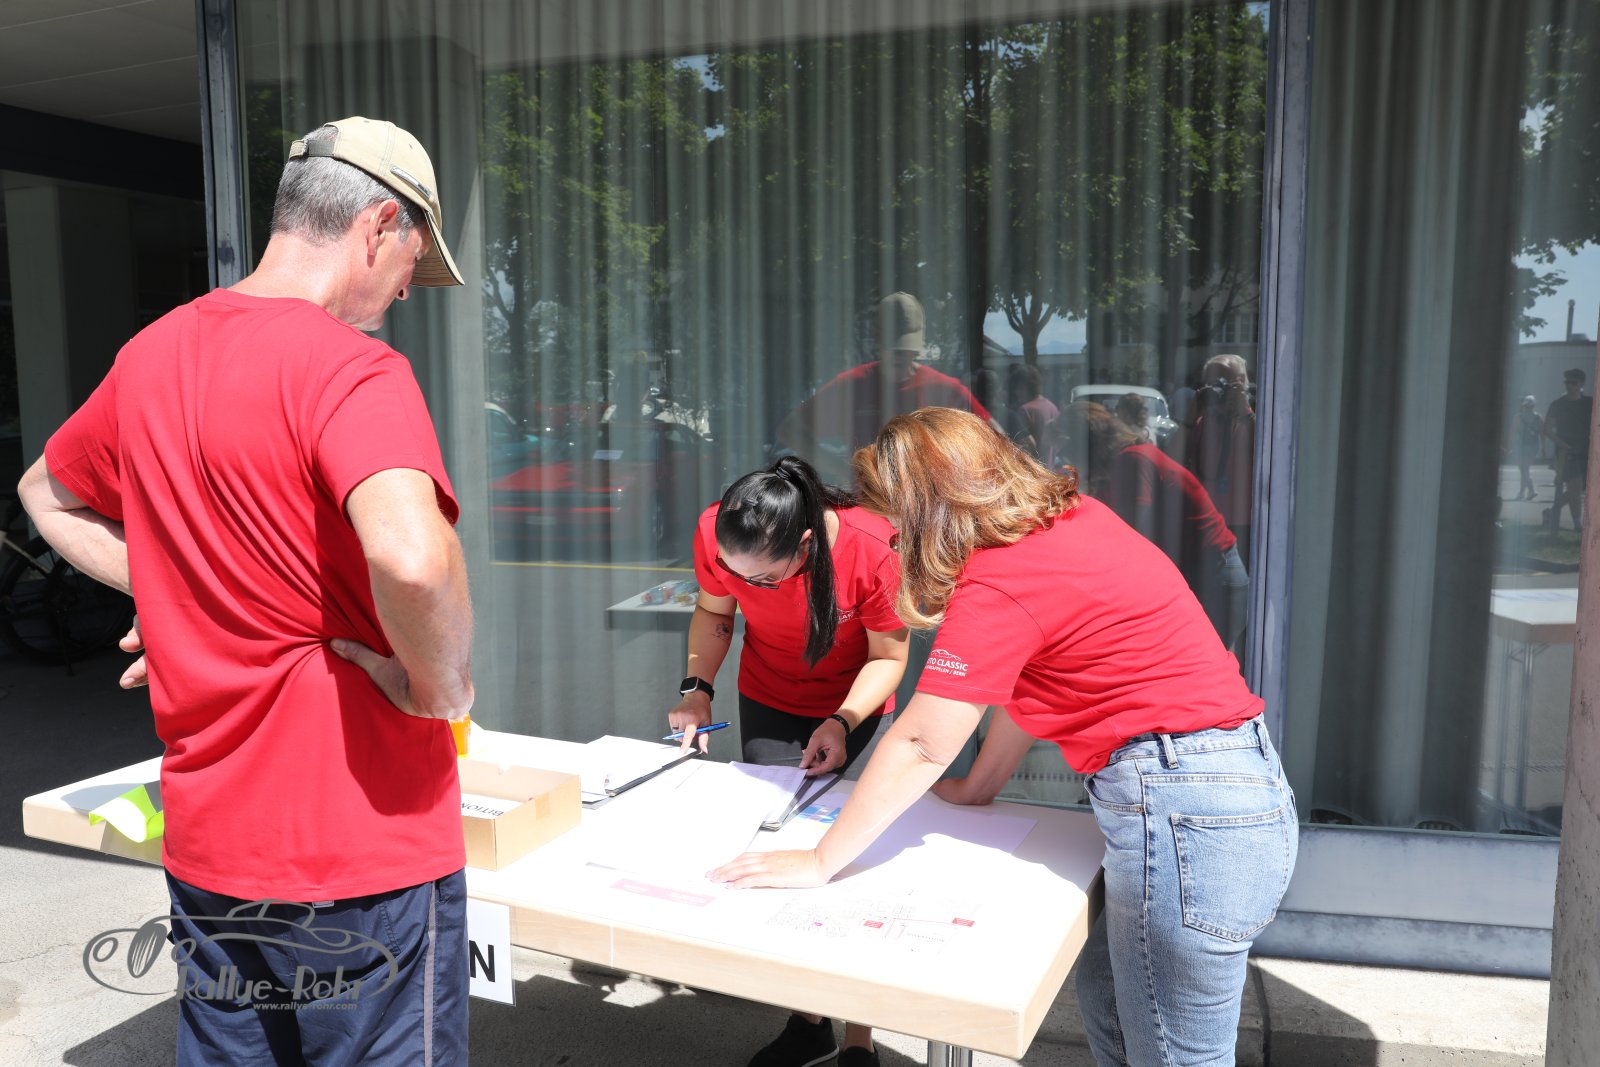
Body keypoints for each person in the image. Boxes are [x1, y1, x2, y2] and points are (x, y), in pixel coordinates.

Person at [18, 117, 474, 1066]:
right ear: (378, 225)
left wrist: (179, 586)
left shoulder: (151, 355)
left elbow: (44, 493)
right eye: (411, 265)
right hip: (363, 845)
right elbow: (415, 559)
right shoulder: (352, 368)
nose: (403, 293)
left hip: (213, 848)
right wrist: (441, 688)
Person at [711, 407, 1297, 1067]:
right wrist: (979, 787)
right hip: (1216, 793)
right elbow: (1028, 682)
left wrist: (820, 861)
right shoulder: (1072, 521)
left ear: (929, 509)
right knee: (1110, 1006)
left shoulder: (998, 578)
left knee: (1171, 1054)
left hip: (1186, 808)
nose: (896, 542)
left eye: (899, 523)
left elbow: (922, 742)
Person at [668, 454, 909, 1067]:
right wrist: (696, 690)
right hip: (769, 695)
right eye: (738, 575)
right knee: (780, 847)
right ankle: (808, 1020)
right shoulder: (720, 528)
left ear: (805, 545)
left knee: (848, 860)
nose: (749, 587)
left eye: (766, 580)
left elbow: (888, 656)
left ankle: (860, 1036)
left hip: (854, 705)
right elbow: (713, 612)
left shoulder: (872, 547)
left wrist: (843, 721)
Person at [1071, 401, 1248, 654]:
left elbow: (1133, 534)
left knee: (1195, 659)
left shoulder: (1132, 460)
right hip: (1210, 568)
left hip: (1214, 573)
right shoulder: (1132, 457)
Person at [774, 292, 995, 483]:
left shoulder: (943, 388)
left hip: (928, 506)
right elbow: (790, 430)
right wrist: (841, 469)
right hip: (868, 502)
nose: (900, 354)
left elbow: (994, 437)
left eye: (906, 347)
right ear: (877, 338)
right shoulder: (851, 386)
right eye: (893, 346)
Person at [1186, 353, 1255, 557]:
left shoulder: (1256, 418)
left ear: (1243, 383)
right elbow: (1173, 459)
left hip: (1244, 522)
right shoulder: (1201, 421)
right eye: (1214, 382)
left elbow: (1268, 458)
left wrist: (1244, 413)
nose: (1220, 389)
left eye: (1228, 382)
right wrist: (1190, 418)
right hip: (1206, 521)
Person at [1542, 368, 1591, 530]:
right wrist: (1564, 446)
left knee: (1578, 489)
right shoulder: (1557, 404)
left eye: (1573, 383)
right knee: (1574, 486)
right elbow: (1547, 429)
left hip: (1586, 451)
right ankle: (1577, 524)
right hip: (1567, 452)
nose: (1569, 386)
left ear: (1582, 384)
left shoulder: (1589, 403)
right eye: (1567, 382)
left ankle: (1551, 512)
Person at [1513, 395, 1543, 501]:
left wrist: (1511, 446)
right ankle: (1524, 492)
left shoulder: (1518, 416)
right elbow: (1542, 433)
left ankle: (1529, 490)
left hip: (1521, 446)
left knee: (1523, 469)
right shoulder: (1538, 417)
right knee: (1525, 469)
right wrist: (1543, 447)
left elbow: (1514, 432)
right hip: (1534, 446)